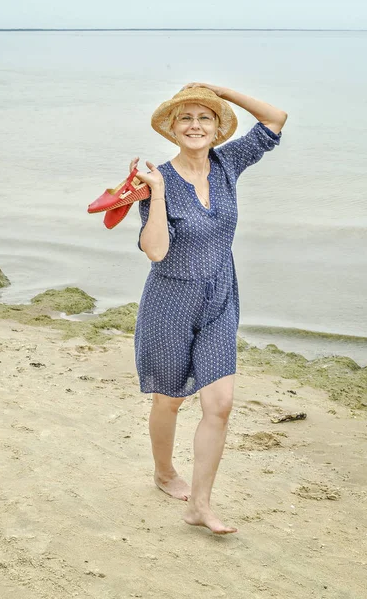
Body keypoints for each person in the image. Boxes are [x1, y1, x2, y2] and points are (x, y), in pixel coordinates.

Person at [132, 82, 287, 534]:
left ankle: (200, 504)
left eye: (205, 117)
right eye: (186, 118)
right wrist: (157, 194)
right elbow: (156, 251)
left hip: (220, 297)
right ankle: (163, 472)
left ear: (218, 128)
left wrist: (217, 90)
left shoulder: (227, 162)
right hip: (170, 302)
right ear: (173, 129)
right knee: (170, 401)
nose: (195, 125)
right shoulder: (155, 178)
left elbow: (275, 119)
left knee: (219, 405)